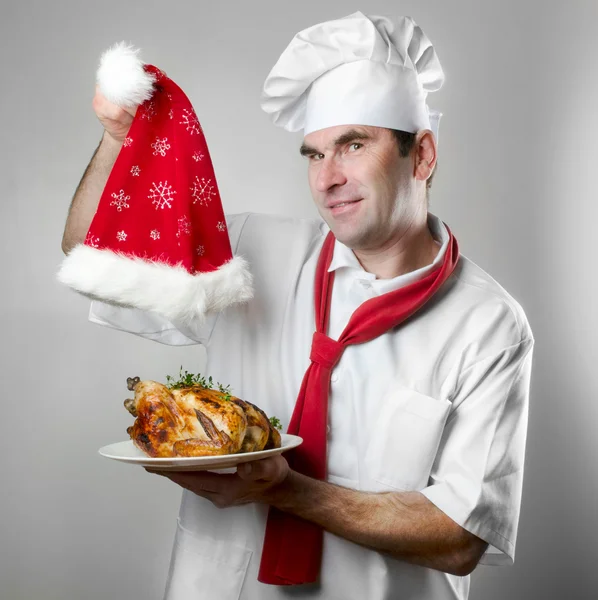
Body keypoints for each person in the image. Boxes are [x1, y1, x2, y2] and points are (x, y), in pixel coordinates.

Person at [60, 12, 534, 600]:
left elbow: (463, 537)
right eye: (314, 154)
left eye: (354, 145)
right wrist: (116, 139)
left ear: (423, 155)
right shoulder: (253, 256)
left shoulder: (489, 325)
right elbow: (91, 251)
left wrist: (286, 490)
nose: (329, 178)